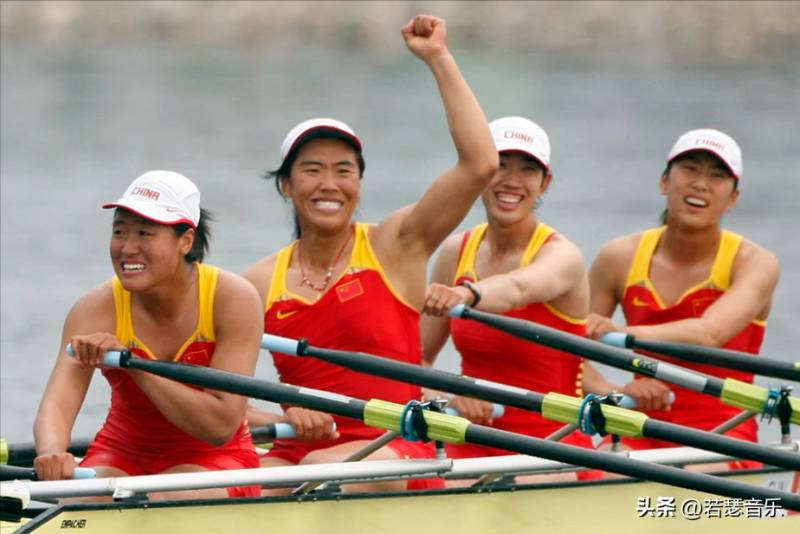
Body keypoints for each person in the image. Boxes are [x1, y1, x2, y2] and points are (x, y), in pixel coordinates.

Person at [244, 14, 498, 492]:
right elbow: (216, 388)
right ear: (285, 186)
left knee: (318, 472)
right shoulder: (259, 281)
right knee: (231, 484)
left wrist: (439, 58)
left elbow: (481, 164)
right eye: (312, 170)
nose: (329, 185)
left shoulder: (396, 244)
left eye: (344, 170)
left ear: (359, 185)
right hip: (300, 450)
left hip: (398, 445)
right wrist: (280, 408)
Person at [33, 170, 264, 500]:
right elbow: (56, 405)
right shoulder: (94, 308)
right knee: (76, 501)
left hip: (215, 460)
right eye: (119, 232)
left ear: (186, 240)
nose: (127, 248)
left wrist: (134, 366)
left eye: (144, 233)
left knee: (162, 499)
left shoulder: (232, 298)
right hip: (120, 455)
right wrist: (52, 452)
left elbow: (219, 426)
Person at [584, 129, 780, 470]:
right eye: (690, 169)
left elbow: (711, 333)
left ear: (733, 198)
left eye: (717, 176)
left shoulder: (755, 262)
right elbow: (571, 354)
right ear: (664, 181)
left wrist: (619, 331)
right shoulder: (618, 257)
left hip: (723, 430)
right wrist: (614, 393)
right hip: (641, 422)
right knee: (595, 472)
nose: (701, 184)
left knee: (675, 492)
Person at [421, 116, 599, 483]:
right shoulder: (456, 252)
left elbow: (519, 289)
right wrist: (452, 395)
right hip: (471, 436)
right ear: (481, 172)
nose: (511, 180)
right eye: (500, 165)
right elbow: (416, 358)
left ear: (544, 183)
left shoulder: (563, 255)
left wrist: (466, 294)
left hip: (554, 444)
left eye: (528, 169)